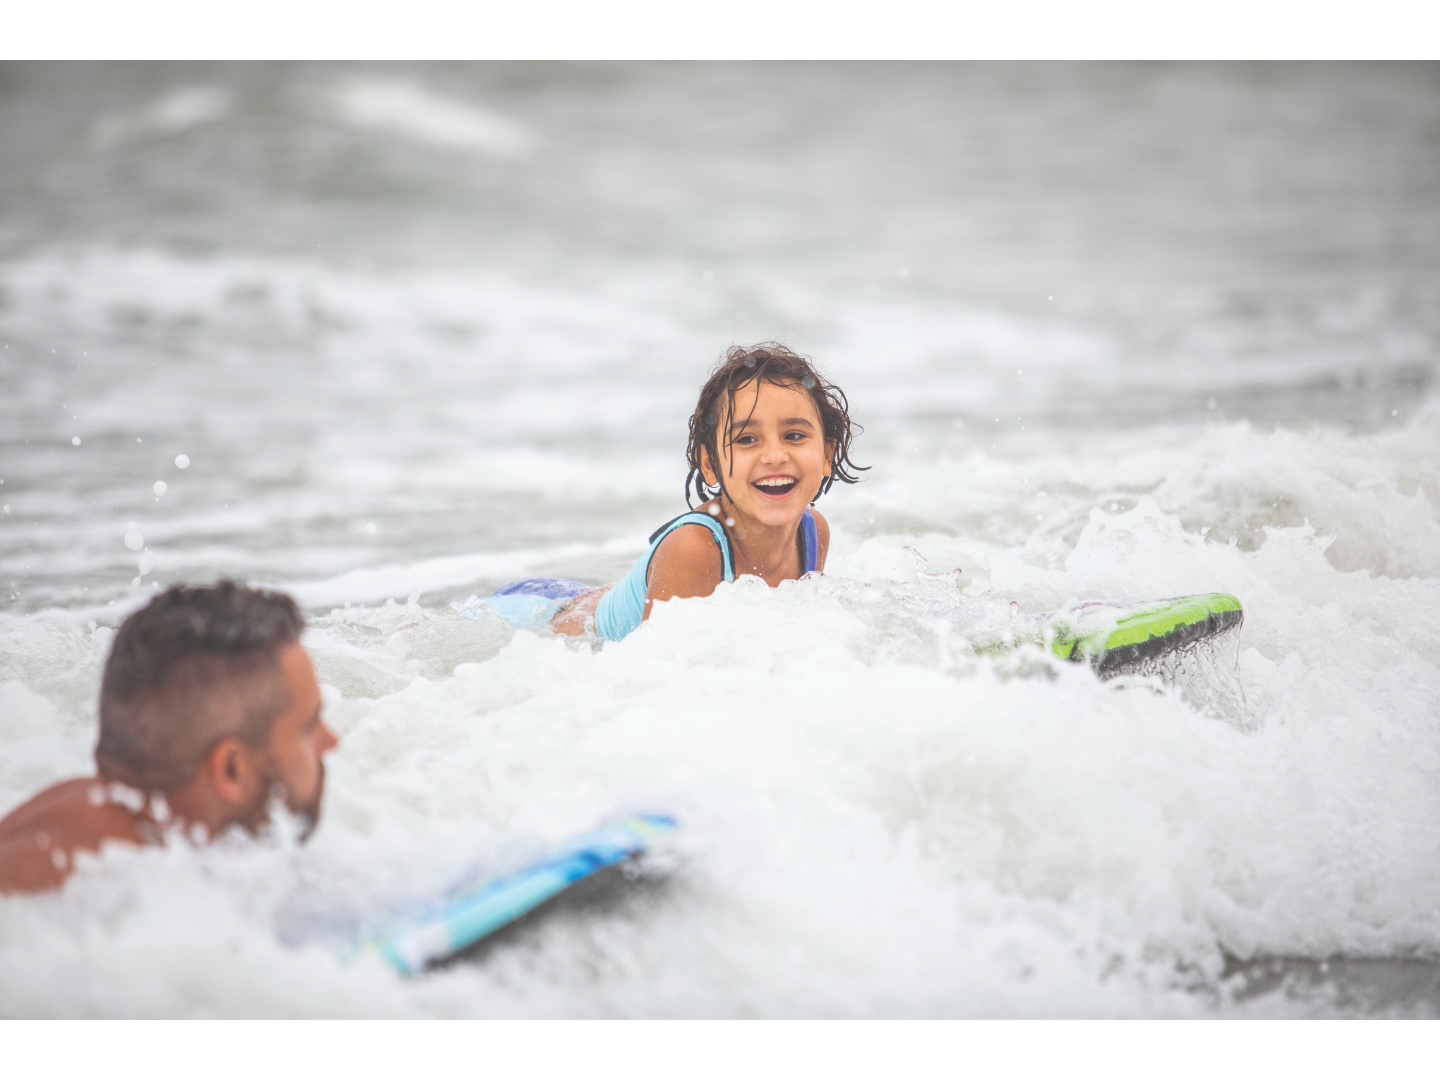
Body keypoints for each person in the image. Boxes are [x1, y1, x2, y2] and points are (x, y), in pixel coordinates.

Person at [479, 343, 865, 639]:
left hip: (585, 597)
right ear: (710, 463)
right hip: (528, 618)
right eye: (747, 439)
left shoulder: (812, 532)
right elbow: (655, 683)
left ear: (827, 453)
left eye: (794, 435)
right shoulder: (694, 550)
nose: (775, 455)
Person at [0, 581, 338, 894]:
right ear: (231, 770)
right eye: (308, 727)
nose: (331, 741)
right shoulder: (111, 893)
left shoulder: (119, 832)